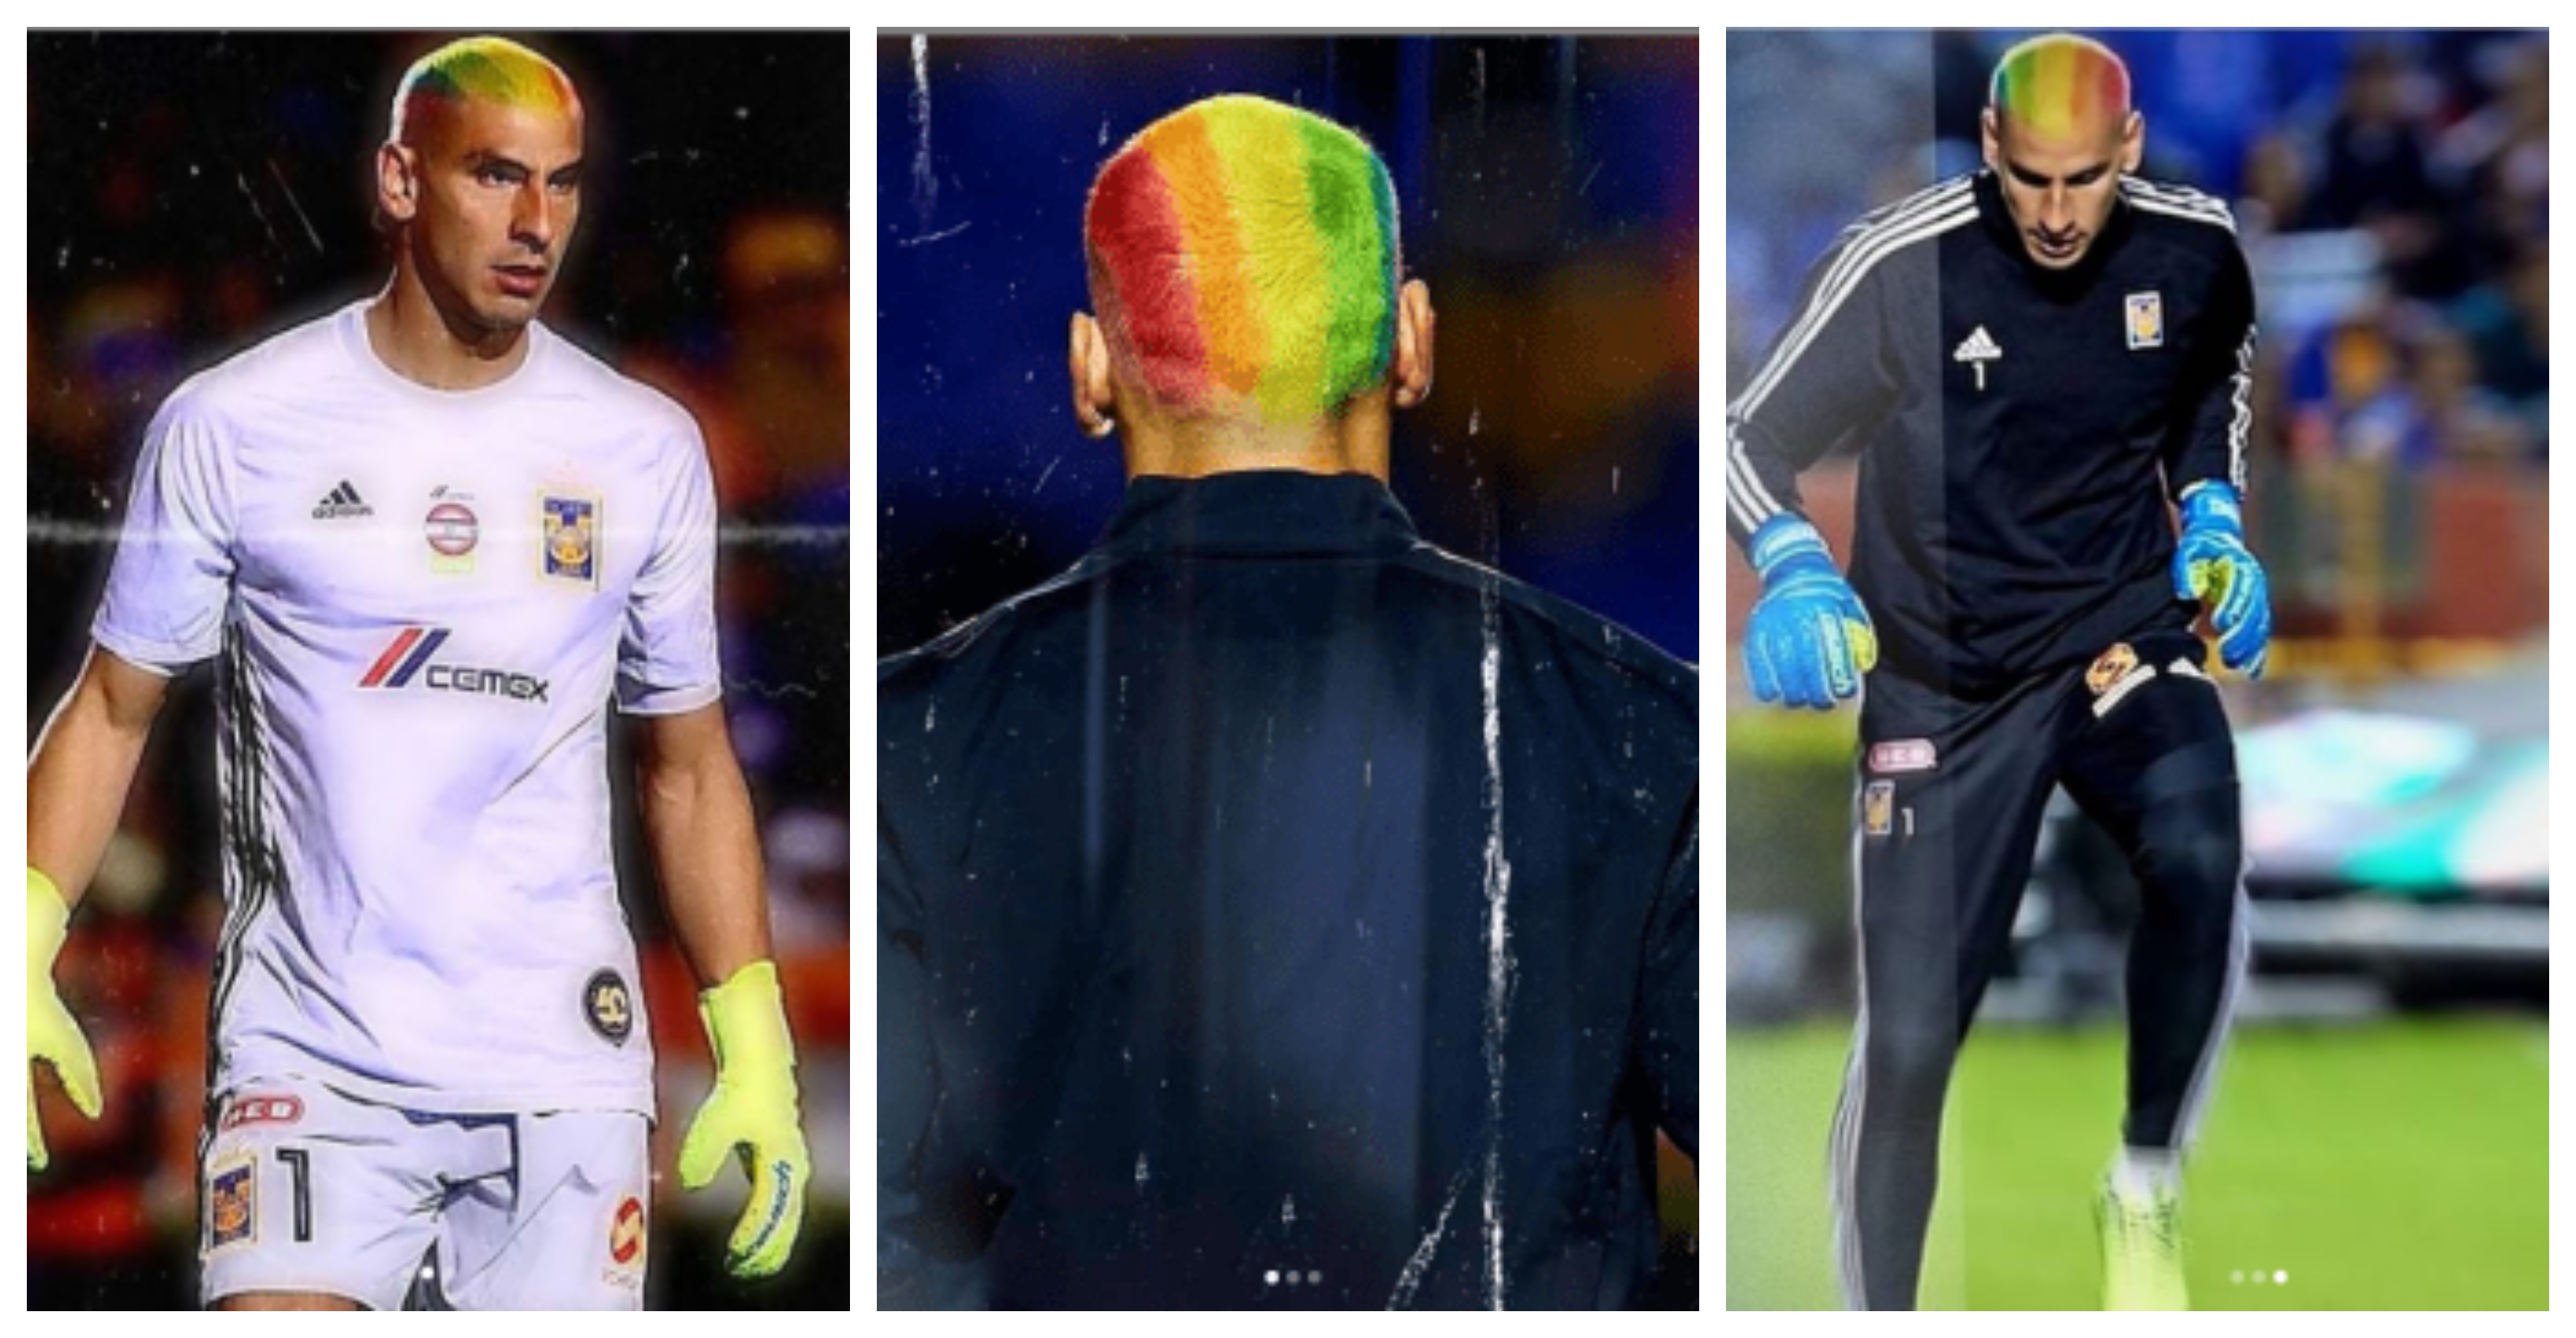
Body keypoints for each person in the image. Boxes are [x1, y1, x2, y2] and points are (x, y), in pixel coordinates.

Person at [24, 36, 811, 1310]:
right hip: (311, 1058)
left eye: (560, 184)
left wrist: (755, 1045)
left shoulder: (644, 448)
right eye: (494, 177)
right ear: (400, 179)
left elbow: (688, 764)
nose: (534, 223)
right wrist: (23, 941)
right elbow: (114, 706)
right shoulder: (235, 425)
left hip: (561, 1068)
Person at [878, 93, 1698, 1310]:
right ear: (1413, 344)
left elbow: (895, 1228)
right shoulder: (1636, 722)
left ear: (1091, 368)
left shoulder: (917, 736)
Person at [1726, 33, 2267, 1311]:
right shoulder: (1899, 267)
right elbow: (1752, 429)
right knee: (1912, 1046)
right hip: (1946, 680)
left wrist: (2213, 514)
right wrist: (1796, 561)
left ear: (2127, 153)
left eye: (2085, 180)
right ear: (1989, 148)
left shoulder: (2197, 249)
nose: (2061, 212)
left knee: (2199, 855)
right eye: (2033, 181)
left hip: (2119, 637)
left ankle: (2142, 1186)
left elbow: (2208, 383)